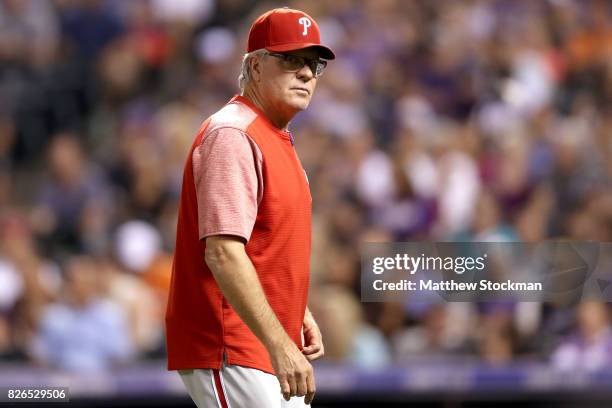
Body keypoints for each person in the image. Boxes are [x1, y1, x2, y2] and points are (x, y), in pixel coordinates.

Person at [165, 7, 335, 408]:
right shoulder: (233, 133)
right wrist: (280, 341)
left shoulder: (273, 137)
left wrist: (295, 309)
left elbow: (264, 247)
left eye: (313, 64)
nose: (307, 73)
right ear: (256, 67)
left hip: (262, 343)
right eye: (292, 60)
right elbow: (223, 252)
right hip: (230, 342)